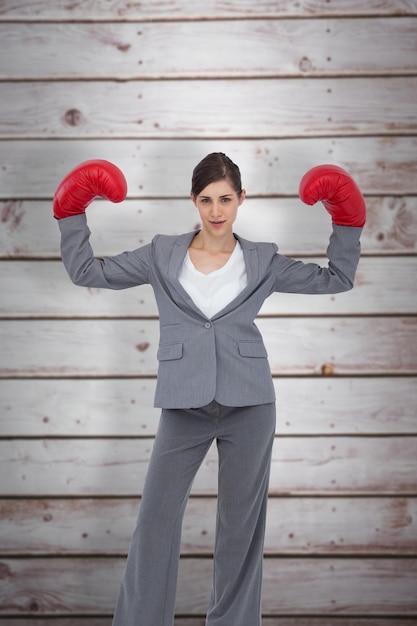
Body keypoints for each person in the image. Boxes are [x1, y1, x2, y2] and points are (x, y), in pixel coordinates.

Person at [53, 153, 366, 625]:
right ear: (193, 201)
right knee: (155, 522)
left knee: (240, 530)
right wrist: (70, 212)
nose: (216, 210)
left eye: (225, 199)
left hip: (251, 403)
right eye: (206, 200)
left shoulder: (263, 261)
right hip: (183, 404)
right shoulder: (161, 253)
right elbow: (88, 272)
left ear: (242, 199)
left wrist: (347, 220)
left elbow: (336, 279)